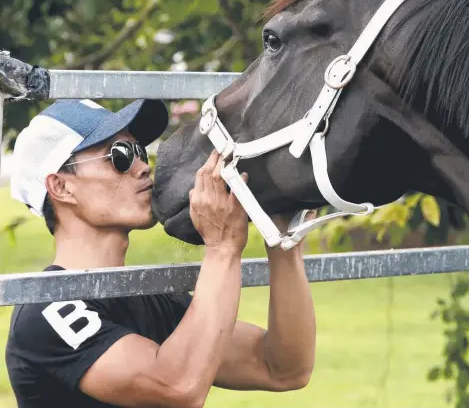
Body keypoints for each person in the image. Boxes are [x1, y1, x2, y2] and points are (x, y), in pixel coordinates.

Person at [5, 99, 316, 408]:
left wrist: (284, 242)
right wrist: (221, 247)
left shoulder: (151, 298)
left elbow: (282, 369)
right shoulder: (48, 311)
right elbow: (177, 386)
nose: (143, 167)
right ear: (61, 187)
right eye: (120, 156)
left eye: (139, 151)